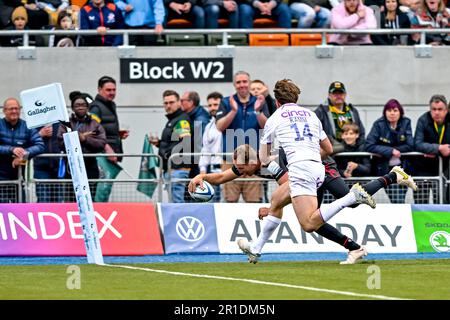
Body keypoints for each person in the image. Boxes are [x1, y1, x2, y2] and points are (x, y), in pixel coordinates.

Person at [215, 70, 269, 203]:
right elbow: (219, 127)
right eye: (238, 82)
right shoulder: (226, 102)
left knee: (254, 202)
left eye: (245, 81)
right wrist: (233, 111)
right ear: (234, 85)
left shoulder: (259, 101)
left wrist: (257, 111)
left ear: (249, 83)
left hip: (253, 160)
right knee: (230, 201)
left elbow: (267, 127)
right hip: (230, 160)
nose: (242, 85)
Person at [58, 92, 107, 202]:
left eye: (83, 105)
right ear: (72, 108)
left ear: (87, 107)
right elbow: (60, 143)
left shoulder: (95, 124)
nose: (80, 107)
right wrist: (76, 138)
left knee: (90, 198)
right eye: (77, 105)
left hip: (90, 166)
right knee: (72, 199)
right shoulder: (66, 124)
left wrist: (85, 139)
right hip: (71, 167)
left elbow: (101, 143)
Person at [365, 99, 415, 203]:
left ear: (400, 112)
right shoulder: (379, 124)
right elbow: (369, 145)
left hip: (403, 168)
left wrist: (396, 149)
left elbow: (410, 145)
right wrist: (390, 150)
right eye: (389, 110)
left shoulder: (406, 122)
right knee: (397, 198)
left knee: (399, 198)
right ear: (385, 112)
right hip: (385, 168)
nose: (392, 113)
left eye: (395, 110)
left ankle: (400, 217)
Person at [89, 76, 128, 201]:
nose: (112, 92)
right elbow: (92, 131)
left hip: (109, 153)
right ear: (99, 89)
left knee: (105, 190)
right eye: (108, 90)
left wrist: (117, 135)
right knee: (102, 190)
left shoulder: (111, 105)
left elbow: (105, 128)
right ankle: (98, 216)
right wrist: (107, 148)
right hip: (101, 155)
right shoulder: (96, 107)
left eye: (114, 90)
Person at [0, 98, 45, 203]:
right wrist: (12, 150)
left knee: (20, 207)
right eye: (11, 109)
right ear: (4, 111)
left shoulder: (27, 126)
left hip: (19, 176)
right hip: (1, 176)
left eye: (17, 108)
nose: (14, 111)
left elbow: (40, 145)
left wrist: (23, 155)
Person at [150, 90, 192, 203]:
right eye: (166, 103)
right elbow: (174, 142)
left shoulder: (181, 120)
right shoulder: (173, 120)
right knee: (173, 202)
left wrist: (167, 154)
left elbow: (185, 143)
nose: (168, 105)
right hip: (171, 168)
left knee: (177, 203)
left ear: (179, 103)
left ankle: (179, 221)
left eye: (171, 102)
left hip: (177, 168)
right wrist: (159, 144)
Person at [413, 94, 450, 204]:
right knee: (421, 201)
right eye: (434, 109)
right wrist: (438, 148)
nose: (437, 112)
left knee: (442, 201)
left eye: (440, 109)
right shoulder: (423, 120)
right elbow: (417, 144)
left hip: (444, 168)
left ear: (446, 110)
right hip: (422, 168)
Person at [314, 81, 366, 153]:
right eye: (335, 93)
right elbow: (316, 132)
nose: (338, 96)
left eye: (341, 93)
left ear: (345, 95)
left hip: (352, 150)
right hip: (332, 152)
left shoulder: (352, 110)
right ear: (329, 95)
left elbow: (361, 132)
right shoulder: (321, 111)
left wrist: (358, 147)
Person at [198, 91, 224, 202]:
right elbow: (206, 149)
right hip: (214, 172)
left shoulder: (231, 122)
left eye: (215, 105)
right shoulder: (209, 126)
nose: (212, 108)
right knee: (215, 204)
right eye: (210, 105)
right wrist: (203, 169)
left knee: (231, 203)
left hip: (229, 170)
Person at [33, 122, 63, 203]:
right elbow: (26, 142)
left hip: (59, 167)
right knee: (43, 199)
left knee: (59, 200)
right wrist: (39, 134)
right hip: (41, 166)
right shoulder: (33, 122)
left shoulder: (61, 122)